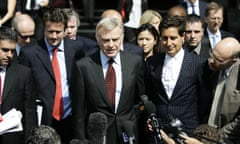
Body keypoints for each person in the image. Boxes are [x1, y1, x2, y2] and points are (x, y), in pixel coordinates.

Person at [71, 17, 145, 144]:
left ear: (122, 38)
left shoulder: (134, 62)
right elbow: (79, 112)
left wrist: (132, 120)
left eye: (115, 39)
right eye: (106, 40)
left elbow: (141, 98)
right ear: (98, 40)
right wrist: (82, 140)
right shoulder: (83, 66)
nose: (111, 45)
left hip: (128, 133)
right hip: (98, 136)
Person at [19, 8, 85, 144]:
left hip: (70, 117)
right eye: (50, 32)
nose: (54, 36)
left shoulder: (76, 48)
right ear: (44, 29)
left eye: (58, 32)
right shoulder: (29, 53)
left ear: (65, 30)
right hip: (43, 119)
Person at [145, 16, 205, 143]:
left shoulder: (198, 63)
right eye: (164, 38)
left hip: (188, 133)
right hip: (159, 132)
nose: (168, 43)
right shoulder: (152, 62)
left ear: (183, 37)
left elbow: (204, 99)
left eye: (173, 38)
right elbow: (150, 94)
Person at [0, 27, 36, 143]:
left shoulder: (23, 74)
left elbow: (29, 112)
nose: (9, 55)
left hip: (12, 138)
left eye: (12, 51)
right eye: (5, 50)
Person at [207, 37, 240, 128]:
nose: (211, 61)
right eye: (212, 54)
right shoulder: (208, 68)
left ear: (234, 60)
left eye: (219, 60)